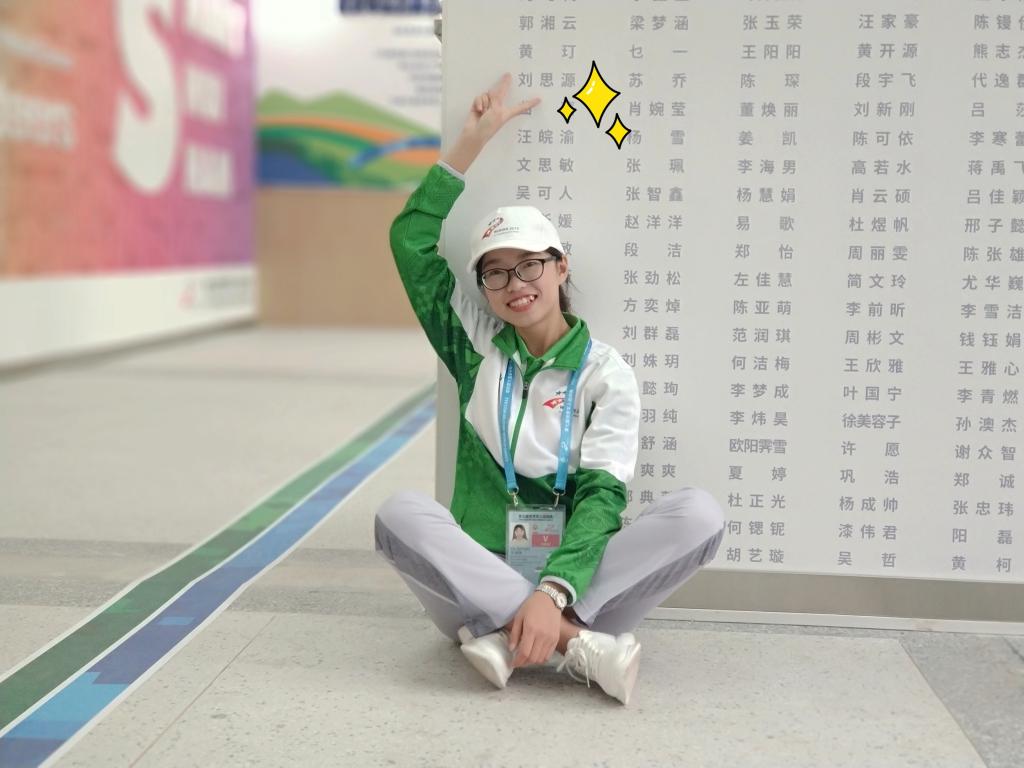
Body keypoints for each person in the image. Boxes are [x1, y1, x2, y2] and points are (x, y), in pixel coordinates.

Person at [374, 72, 725, 705]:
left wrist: (552, 590)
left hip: (581, 587)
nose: (516, 285)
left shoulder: (606, 373)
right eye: (497, 274)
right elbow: (409, 242)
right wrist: (469, 145)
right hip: (477, 579)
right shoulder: (474, 347)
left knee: (700, 514)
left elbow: (602, 497)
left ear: (561, 267)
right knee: (398, 514)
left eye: (531, 264)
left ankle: (511, 635)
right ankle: (577, 647)